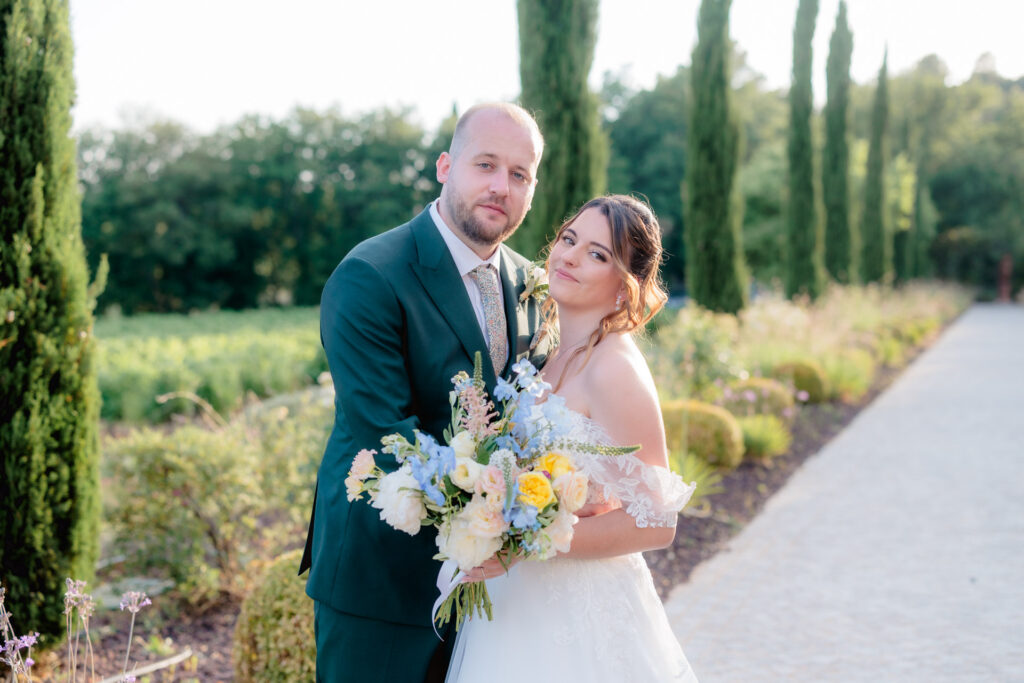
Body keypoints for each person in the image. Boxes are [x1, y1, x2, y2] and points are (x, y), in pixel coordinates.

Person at [299, 102, 553, 682]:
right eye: (485, 164)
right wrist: (492, 510)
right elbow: (385, 433)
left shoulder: (531, 285)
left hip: (496, 589)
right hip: (383, 580)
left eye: (520, 175)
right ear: (445, 166)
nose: (500, 187)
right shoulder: (371, 273)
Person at [446, 195, 699, 682]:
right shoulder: (550, 353)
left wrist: (524, 544)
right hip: (517, 607)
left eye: (598, 254)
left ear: (625, 288)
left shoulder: (615, 369)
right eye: (569, 239)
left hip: (580, 617)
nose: (569, 256)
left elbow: (656, 523)